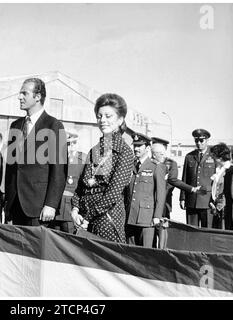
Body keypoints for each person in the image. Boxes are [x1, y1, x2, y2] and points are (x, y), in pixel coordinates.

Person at [71, 93, 134, 243]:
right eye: (99, 116)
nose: (102, 120)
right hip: (85, 219)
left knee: (107, 263)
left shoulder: (124, 152)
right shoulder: (95, 150)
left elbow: (113, 193)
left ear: (120, 120)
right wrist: (75, 209)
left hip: (107, 219)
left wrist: (88, 217)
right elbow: (82, 186)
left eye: (108, 116)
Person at [5, 78, 67, 227]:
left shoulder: (54, 125)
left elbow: (59, 170)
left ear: (38, 97)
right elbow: (11, 166)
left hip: (39, 208)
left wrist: (51, 204)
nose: (19, 97)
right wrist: (8, 200)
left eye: (24, 93)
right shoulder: (16, 125)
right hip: (15, 204)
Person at [151, 137, 201, 248]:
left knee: (162, 228)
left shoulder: (170, 163)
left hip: (164, 202)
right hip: (148, 201)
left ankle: (162, 251)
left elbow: (172, 181)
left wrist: (190, 189)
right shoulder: (149, 162)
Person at [125, 133, 166, 247]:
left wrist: (157, 216)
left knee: (146, 252)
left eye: (139, 146)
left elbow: (160, 194)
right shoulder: (130, 165)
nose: (136, 149)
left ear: (148, 148)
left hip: (146, 218)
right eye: (135, 146)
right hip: (131, 216)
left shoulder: (155, 166)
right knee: (131, 252)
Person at [179, 129, 216, 228]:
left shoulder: (214, 156)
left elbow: (218, 181)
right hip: (192, 200)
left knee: (207, 230)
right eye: (196, 141)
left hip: (207, 201)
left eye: (201, 141)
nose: (198, 143)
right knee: (191, 230)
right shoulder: (189, 156)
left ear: (207, 140)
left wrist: (215, 199)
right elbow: (185, 178)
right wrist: (182, 198)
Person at [53, 128, 87, 234]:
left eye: (72, 144)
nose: (69, 147)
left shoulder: (83, 159)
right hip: (56, 206)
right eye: (67, 144)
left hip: (72, 207)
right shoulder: (57, 158)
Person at [208, 143, 232, 229]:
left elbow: (227, 192)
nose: (212, 158)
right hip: (217, 208)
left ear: (220, 157)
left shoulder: (229, 170)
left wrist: (218, 207)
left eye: (213, 156)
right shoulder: (219, 169)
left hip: (223, 209)